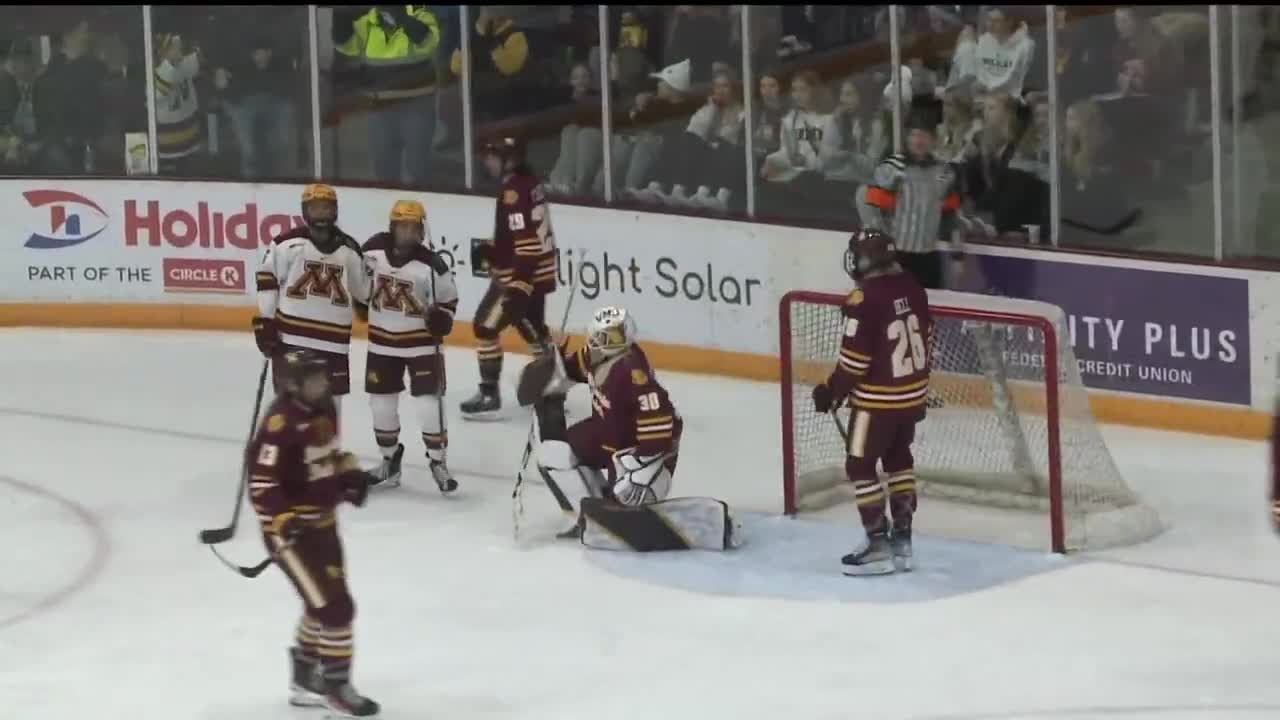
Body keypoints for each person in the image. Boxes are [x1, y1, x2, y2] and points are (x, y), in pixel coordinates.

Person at [518, 306, 735, 551]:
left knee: (626, 496)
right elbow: (569, 369)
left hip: (633, 446)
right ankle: (587, 518)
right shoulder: (594, 354)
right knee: (554, 453)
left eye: (616, 336)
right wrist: (548, 369)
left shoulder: (633, 372)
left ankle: (627, 505)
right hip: (605, 434)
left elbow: (660, 423)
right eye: (604, 336)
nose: (609, 342)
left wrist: (643, 464)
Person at [247, 349, 379, 717]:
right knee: (337, 609)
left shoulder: (324, 410)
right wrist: (283, 521)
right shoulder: (279, 426)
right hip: (292, 536)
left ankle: (305, 678)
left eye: (323, 377)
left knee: (320, 604)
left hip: (324, 527)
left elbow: (327, 457)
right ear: (293, 384)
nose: (323, 384)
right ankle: (336, 687)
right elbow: (262, 484)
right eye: (314, 379)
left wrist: (348, 477)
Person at [810, 229, 933, 576]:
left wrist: (832, 391)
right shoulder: (914, 287)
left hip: (876, 403)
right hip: (911, 395)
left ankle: (878, 542)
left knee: (860, 467)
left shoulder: (864, 299)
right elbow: (929, 337)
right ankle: (904, 541)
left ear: (863, 259)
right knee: (899, 461)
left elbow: (854, 363)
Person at [362, 199, 460, 494]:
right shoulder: (372, 251)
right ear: (392, 227)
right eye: (402, 226)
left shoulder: (433, 265)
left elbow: (449, 302)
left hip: (421, 346)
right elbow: (357, 282)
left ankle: (438, 462)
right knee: (381, 406)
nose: (407, 232)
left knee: (429, 407)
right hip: (381, 343)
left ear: (421, 230)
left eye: (413, 227)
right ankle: (389, 462)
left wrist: (441, 319)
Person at [460, 137, 558, 419]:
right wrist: (492, 247)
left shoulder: (513, 191)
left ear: (509, 160)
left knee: (485, 327)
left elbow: (526, 244)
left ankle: (489, 394)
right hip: (538, 272)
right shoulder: (530, 183)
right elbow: (519, 235)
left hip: (519, 275)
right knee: (532, 327)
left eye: (492, 156)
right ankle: (552, 384)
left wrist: (518, 286)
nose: (486, 161)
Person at [254, 184, 370, 406]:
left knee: (328, 416)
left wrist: (366, 301)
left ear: (335, 211)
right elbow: (267, 280)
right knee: (289, 408)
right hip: (290, 338)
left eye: (326, 208)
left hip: (334, 343)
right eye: (316, 208)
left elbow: (363, 292)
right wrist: (266, 320)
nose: (322, 214)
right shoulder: (286, 244)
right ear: (305, 211)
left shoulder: (350, 250)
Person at [857, 113, 963, 290]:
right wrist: (878, 251)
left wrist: (957, 255)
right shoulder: (893, 169)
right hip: (896, 257)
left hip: (928, 258)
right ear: (907, 138)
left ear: (933, 139)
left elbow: (952, 216)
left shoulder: (944, 173)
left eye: (924, 135)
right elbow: (866, 202)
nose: (918, 140)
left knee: (926, 311)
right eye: (914, 134)